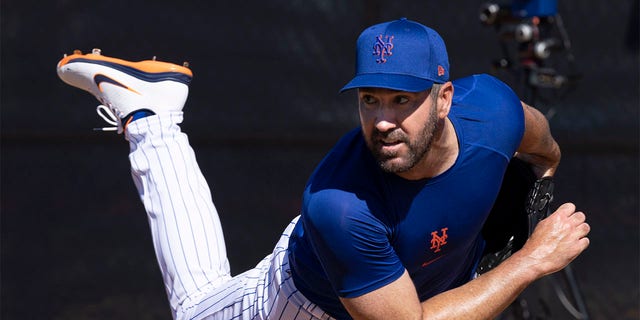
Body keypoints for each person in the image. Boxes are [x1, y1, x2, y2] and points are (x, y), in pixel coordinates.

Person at [57, 18, 590, 320]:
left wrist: (543, 177)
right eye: (370, 100)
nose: (382, 121)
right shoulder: (340, 205)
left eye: (401, 100)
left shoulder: (494, 112)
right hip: (310, 303)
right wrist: (531, 259)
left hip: (405, 289)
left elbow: (542, 146)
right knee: (198, 311)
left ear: (445, 98)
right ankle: (154, 117)